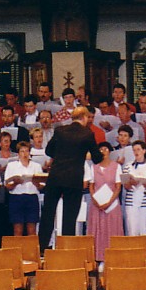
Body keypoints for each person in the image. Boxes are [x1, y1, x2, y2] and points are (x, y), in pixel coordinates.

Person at [39, 107, 103, 250]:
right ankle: (66, 251)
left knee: (48, 214)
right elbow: (97, 158)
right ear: (84, 117)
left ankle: (41, 249)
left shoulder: (60, 131)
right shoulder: (87, 134)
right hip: (73, 179)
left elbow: (48, 150)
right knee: (69, 217)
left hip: (55, 177)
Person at [87, 142, 123, 262]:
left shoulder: (116, 166)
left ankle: (112, 259)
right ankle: (97, 259)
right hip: (97, 204)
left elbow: (118, 186)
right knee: (97, 230)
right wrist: (95, 200)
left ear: (110, 151)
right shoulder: (94, 167)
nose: (103, 151)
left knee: (111, 230)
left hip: (112, 205)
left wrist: (109, 201)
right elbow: (91, 186)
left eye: (106, 149)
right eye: (101, 149)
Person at [5, 141, 44, 236]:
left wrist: (36, 183)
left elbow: (42, 185)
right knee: (18, 229)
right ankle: (17, 250)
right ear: (18, 153)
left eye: (26, 151)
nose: (24, 154)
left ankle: (32, 250)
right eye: (22, 151)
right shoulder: (12, 166)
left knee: (32, 229)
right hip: (17, 198)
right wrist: (15, 183)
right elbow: (7, 186)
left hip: (32, 198)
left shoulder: (36, 166)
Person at [122, 140, 146, 236]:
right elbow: (125, 186)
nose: (136, 152)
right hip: (131, 203)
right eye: (134, 150)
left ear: (144, 151)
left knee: (145, 231)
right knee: (132, 231)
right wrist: (130, 183)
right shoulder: (128, 166)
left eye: (138, 149)